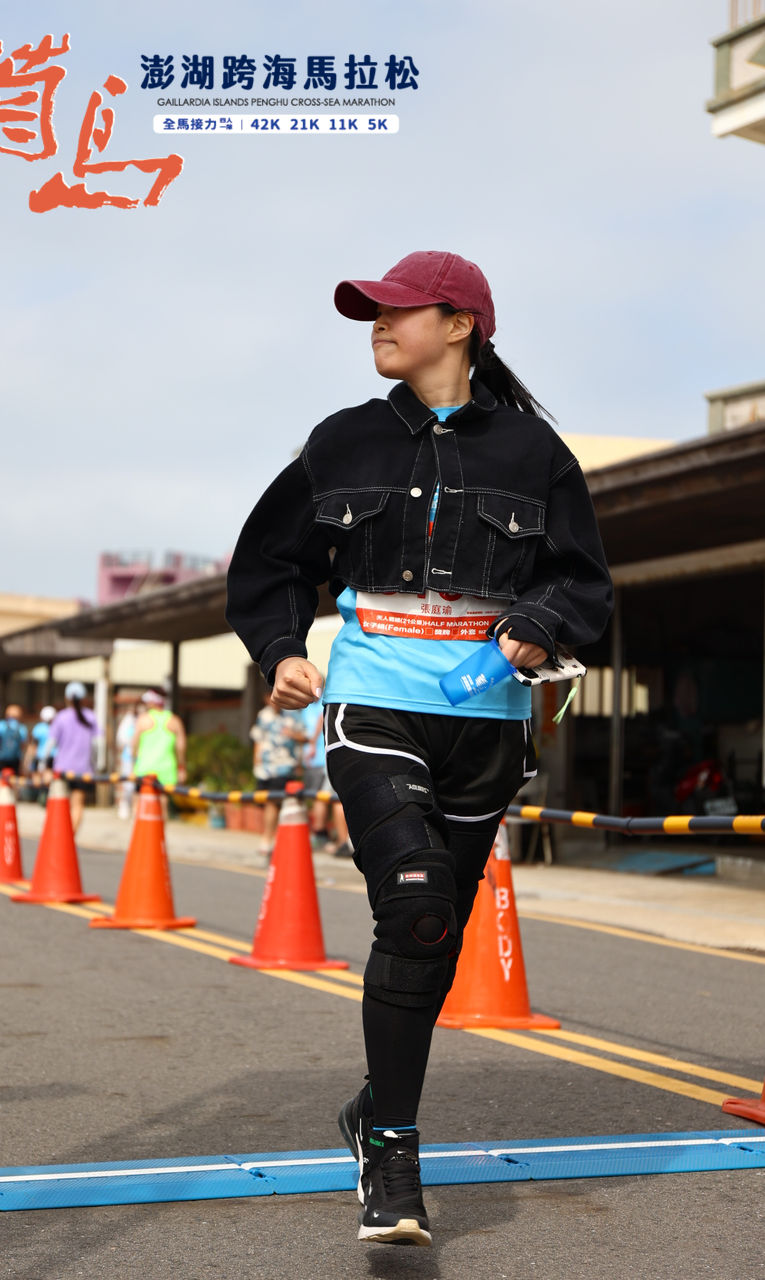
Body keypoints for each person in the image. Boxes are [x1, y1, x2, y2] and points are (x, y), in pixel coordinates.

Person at [225, 250, 613, 1246]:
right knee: (416, 903)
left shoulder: (534, 453)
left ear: (460, 323)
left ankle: (371, 1106)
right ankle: (393, 1155)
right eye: (372, 311)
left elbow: (583, 582)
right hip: (372, 705)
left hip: (487, 723)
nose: (378, 324)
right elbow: (270, 562)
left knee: (428, 943)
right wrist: (281, 649)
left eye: (397, 310)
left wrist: (537, 622)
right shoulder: (343, 440)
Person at [249, 695, 308, 858]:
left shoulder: (293, 715)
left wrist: (293, 736)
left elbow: (304, 737)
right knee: (265, 803)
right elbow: (258, 738)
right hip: (265, 768)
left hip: (284, 766)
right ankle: (271, 836)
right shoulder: (263, 715)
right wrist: (256, 761)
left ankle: (268, 839)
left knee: (273, 803)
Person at [43, 681, 100, 833]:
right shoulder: (90, 717)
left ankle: (60, 837)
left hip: (62, 769)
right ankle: (70, 837)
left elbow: (50, 744)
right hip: (83, 769)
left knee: (59, 804)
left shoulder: (61, 717)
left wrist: (43, 765)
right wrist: (96, 765)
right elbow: (96, 745)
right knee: (77, 805)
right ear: (84, 699)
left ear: (67, 698)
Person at [300, 698, 352, 858]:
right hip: (332, 756)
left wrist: (311, 744)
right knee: (328, 798)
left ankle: (341, 842)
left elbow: (321, 719)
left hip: (327, 757)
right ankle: (336, 839)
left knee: (330, 799)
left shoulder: (320, 701)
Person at [131, 690, 187, 816]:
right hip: (166, 769)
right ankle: (161, 829)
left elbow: (134, 745)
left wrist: (133, 762)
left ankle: (138, 829)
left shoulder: (143, 720)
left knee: (139, 804)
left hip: (144, 768)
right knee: (163, 806)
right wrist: (181, 768)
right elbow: (181, 747)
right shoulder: (174, 721)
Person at [0, 704, 28, 778]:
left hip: (0, 757)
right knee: (14, 779)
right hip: (15, 759)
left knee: (0, 778)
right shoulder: (21, 727)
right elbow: (23, 744)